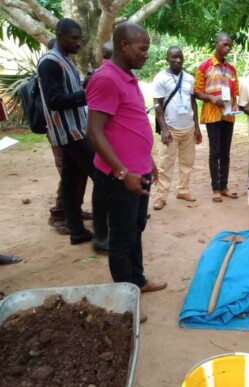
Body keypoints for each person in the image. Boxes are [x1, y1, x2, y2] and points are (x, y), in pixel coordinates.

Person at [86, 22, 167, 313]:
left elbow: (131, 125)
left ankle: (138, 280)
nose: (146, 54)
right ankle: (125, 305)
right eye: (143, 48)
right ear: (123, 45)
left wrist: (149, 162)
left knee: (135, 229)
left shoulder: (127, 77)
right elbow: (94, 132)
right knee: (121, 238)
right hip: (120, 177)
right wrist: (123, 173)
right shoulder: (106, 79)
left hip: (138, 171)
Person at [37, 18, 108, 249]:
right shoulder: (50, 62)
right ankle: (103, 234)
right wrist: (86, 95)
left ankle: (77, 232)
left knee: (69, 181)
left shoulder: (65, 60)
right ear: (59, 35)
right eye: (74, 38)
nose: (78, 43)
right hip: (71, 133)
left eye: (80, 38)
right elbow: (55, 100)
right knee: (102, 176)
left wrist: (84, 85)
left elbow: (67, 92)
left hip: (74, 130)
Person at [152, 46, 202, 210]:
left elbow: (193, 102)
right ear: (167, 59)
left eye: (180, 57)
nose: (178, 60)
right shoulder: (160, 78)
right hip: (171, 129)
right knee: (165, 164)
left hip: (188, 128)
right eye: (174, 57)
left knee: (187, 163)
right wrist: (164, 129)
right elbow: (157, 106)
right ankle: (161, 196)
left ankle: (183, 190)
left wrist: (197, 127)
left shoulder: (189, 78)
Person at [194, 32, 240, 203]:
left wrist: (234, 105)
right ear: (217, 43)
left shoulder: (232, 69)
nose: (227, 48)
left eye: (230, 45)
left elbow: (235, 92)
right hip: (212, 115)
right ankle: (215, 188)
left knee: (226, 152)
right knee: (215, 152)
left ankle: (224, 186)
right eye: (225, 44)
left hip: (228, 116)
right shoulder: (204, 66)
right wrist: (211, 98)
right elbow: (197, 91)